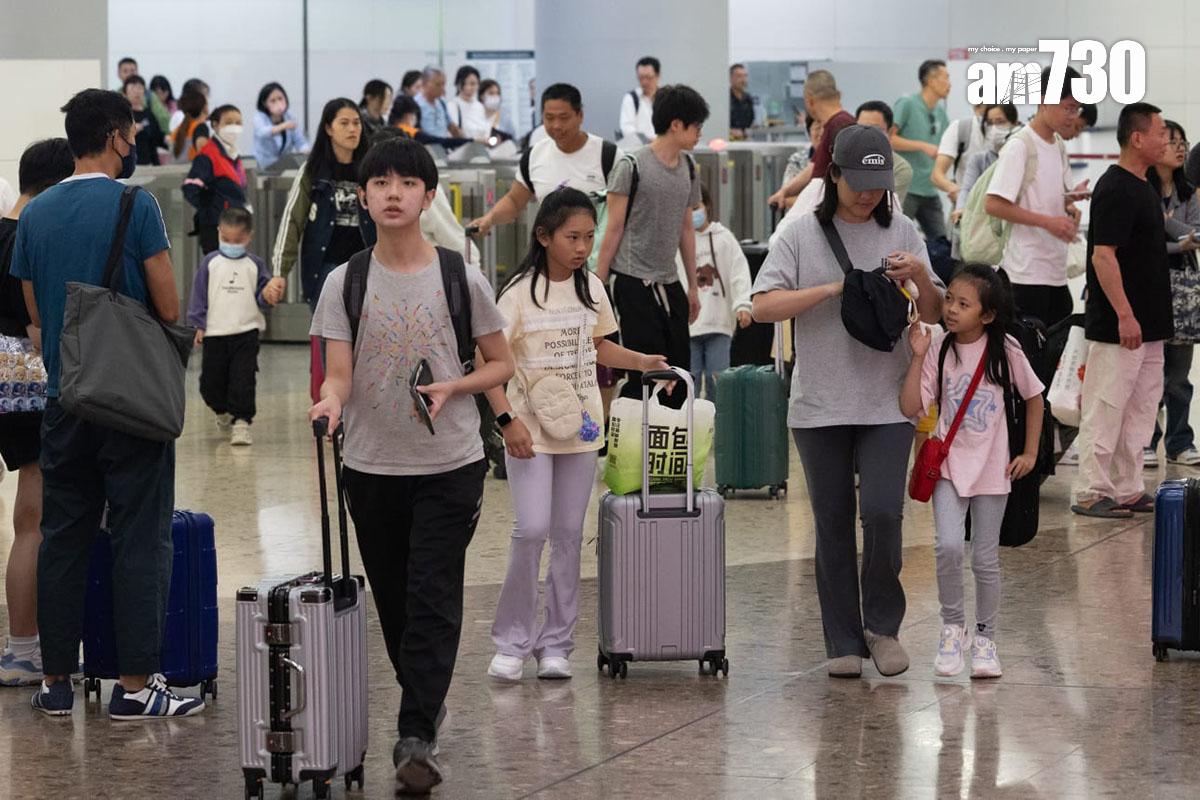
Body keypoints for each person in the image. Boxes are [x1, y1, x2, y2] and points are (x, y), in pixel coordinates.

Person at [307, 136, 514, 794]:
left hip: (450, 464)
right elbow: (338, 374)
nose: (392, 193)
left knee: (432, 596)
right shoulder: (345, 282)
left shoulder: (461, 276)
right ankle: (426, 702)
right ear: (363, 197)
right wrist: (329, 401)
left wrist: (457, 386)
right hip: (371, 467)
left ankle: (414, 735)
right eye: (380, 183)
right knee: (395, 605)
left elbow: (501, 363)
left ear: (428, 197)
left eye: (406, 183)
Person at [12, 88, 204, 719]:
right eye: (131, 136)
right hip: (129, 402)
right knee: (139, 537)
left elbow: (39, 315)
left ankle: (55, 684)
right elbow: (168, 305)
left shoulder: (36, 213)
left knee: (63, 538)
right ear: (116, 136)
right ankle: (135, 687)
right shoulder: (135, 203)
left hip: (64, 399)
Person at [752, 124, 942, 679]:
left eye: (878, 185)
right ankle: (843, 638)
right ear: (832, 175)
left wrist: (919, 275)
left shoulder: (902, 229)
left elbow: (934, 311)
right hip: (820, 406)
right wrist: (834, 289)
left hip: (888, 402)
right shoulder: (799, 234)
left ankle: (883, 626)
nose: (868, 194)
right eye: (858, 183)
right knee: (832, 522)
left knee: (883, 513)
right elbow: (762, 306)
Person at [483, 188, 667, 682]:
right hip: (529, 431)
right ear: (544, 236)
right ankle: (512, 641)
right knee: (531, 530)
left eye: (589, 237)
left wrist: (642, 362)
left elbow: (600, 346)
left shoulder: (592, 289)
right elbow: (488, 360)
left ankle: (556, 644)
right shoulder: (518, 293)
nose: (583, 247)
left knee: (568, 536)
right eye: (572, 237)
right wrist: (506, 421)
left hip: (582, 431)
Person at [900, 265, 1044, 679]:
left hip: (993, 470)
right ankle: (952, 628)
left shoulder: (1006, 350)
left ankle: (985, 637)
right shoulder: (940, 347)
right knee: (947, 547)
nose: (951, 309)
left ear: (988, 315)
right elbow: (910, 407)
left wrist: (1030, 453)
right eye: (949, 299)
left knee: (984, 559)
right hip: (948, 468)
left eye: (964, 304)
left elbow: (1035, 397)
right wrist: (918, 356)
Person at [1071, 103, 1173, 519]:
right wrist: (1125, 315)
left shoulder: (1144, 185)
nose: (1167, 140)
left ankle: (1127, 487)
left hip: (1150, 325)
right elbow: (1103, 256)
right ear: (1137, 138)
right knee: (1107, 405)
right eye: (1161, 132)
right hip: (1121, 324)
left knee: (1141, 408)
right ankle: (1091, 490)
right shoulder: (1115, 187)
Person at [0, 138, 74, 687]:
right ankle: (26, 649)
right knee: (35, 520)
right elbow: (39, 323)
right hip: (25, 381)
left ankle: (22, 648)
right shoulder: (33, 237)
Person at [595, 84, 708, 407]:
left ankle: (675, 435)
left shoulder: (688, 168)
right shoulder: (631, 165)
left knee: (680, 373)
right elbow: (613, 228)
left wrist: (692, 286)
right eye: (696, 125)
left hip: (669, 281)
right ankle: (634, 434)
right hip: (632, 281)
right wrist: (598, 285)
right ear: (676, 124)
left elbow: (686, 228)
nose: (700, 133)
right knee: (645, 375)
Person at [985, 66, 1089, 328]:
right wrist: (1048, 222)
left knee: (1055, 347)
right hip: (1025, 274)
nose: (1073, 117)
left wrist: (1070, 202)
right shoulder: (1020, 146)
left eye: (1076, 109)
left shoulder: (1058, 145)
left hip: (1056, 270)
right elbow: (994, 204)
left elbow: (1049, 199)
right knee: (1029, 349)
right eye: (1068, 108)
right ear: (1043, 101)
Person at [470, 83, 615, 237]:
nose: (556, 125)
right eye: (549, 118)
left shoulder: (607, 155)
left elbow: (621, 217)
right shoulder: (534, 156)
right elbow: (514, 201)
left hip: (599, 250)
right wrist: (490, 218)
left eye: (564, 118)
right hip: (552, 249)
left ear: (580, 115)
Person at [187, 208, 279, 447]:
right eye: (226, 239)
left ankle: (242, 422)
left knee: (243, 379)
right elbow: (199, 295)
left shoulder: (255, 265)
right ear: (218, 232)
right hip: (215, 334)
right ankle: (222, 411)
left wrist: (267, 295)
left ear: (249, 237)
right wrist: (197, 324)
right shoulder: (210, 263)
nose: (231, 244)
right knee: (210, 384)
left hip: (246, 333)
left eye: (237, 240)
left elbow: (262, 296)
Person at [272, 98, 369, 309]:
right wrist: (280, 272)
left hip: (365, 267)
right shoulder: (313, 171)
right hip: (325, 267)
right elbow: (292, 221)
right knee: (327, 329)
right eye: (344, 123)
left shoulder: (371, 170)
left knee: (364, 329)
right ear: (328, 128)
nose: (352, 129)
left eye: (357, 123)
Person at [1147, 121, 1200, 467]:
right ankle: (1145, 440)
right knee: (1149, 372)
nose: (1180, 148)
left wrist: (1166, 224)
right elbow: (1143, 243)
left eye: (1183, 142)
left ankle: (1180, 442)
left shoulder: (1188, 192)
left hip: (1183, 290)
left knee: (1179, 376)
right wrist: (1178, 241)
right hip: (1149, 286)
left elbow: (1198, 234)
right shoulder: (1142, 190)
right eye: (1172, 141)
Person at [674, 184, 752, 400]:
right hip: (689, 327)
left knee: (718, 381)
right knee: (689, 380)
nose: (693, 214)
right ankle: (690, 420)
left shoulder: (724, 238)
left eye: (696, 207)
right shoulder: (679, 241)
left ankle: (719, 419)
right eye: (688, 209)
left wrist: (743, 304)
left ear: (707, 205)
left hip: (719, 323)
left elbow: (739, 272)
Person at [372, 127, 480, 269]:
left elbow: (451, 235)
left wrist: (471, 270)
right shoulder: (368, 188)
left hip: (430, 271)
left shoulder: (423, 188)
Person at [767, 70, 855, 209]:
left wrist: (788, 200)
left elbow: (822, 186)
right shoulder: (836, 123)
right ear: (838, 95)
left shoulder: (839, 126)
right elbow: (813, 168)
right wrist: (784, 192)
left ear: (809, 100)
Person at [891, 59, 951, 240]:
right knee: (896, 238)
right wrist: (922, 146)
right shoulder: (907, 104)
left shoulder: (941, 113)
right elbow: (889, 138)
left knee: (941, 242)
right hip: (907, 188)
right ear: (931, 81)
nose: (949, 84)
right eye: (946, 78)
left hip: (930, 189)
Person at [183, 104, 247, 255]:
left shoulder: (233, 154)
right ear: (215, 125)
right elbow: (190, 187)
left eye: (238, 123)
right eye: (229, 122)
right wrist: (212, 210)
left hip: (235, 225)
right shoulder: (208, 155)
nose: (234, 127)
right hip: (216, 228)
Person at [954, 105, 1020, 220]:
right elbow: (967, 189)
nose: (994, 128)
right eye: (990, 123)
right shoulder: (979, 160)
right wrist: (961, 208)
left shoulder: (1021, 156)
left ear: (1014, 124)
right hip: (982, 221)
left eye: (1000, 122)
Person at [855, 101, 913, 207]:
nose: (866, 134)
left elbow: (888, 208)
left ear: (889, 132)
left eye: (875, 129)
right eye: (860, 128)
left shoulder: (900, 168)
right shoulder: (842, 156)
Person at [931, 104, 986, 208]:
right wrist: (956, 191)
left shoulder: (1012, 132)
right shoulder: (961, 128)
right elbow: (937, 175)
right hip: (966, 206)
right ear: (976, 108)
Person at [253, 82, 310, 170]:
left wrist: (305, 150)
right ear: (265, 103)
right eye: (273, 101)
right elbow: (263, 132)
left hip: (283, 165)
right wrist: (283, 126)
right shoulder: (260, 117)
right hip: (263, 166)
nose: (278, 103)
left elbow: (300, 141)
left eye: (280, 98)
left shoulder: (289, 116)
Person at [122, 76, 166, 166]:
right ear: (125, 93)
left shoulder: (149, 113)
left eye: (139, 88)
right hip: (129, 164)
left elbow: (157, 136)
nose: (137, 92)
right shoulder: (122, 114)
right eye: (132, 88)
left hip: (149, 162)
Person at [618, 56, 660, 143]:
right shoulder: (631, 98)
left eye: (648, 77)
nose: (644, 82)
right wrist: (648, 140)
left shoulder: (666, 98)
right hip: (639, 147)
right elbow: (626, 128)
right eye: (641, 78)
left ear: (657, 76)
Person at [414, 67, 462, 140]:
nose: (442, 88)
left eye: (443, 84)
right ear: (424, 84)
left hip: (443, 145)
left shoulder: (441, 102)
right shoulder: (415, 104)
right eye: (438, 85)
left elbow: (452, 128)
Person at [451, 66, 490, 141]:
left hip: (481, 146)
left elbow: (485, 130)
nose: (474, 87)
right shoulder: (452, 105)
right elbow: (455, 133)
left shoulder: (479, 106)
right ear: (460, 84)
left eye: (476, 84)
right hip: (463, 146)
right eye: (471, 84)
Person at [170, 86, 208, 162]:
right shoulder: (200, 127)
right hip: (193, 168)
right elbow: (205, 155)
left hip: (175, 168)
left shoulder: (177, 129)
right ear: (204, 108)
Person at [729, 63, 755, 139]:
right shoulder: (725, 99)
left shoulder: (748, 99)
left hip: (744, 140)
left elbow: (750, 120)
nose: (743, 80)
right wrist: (730, 131)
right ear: (730, 78)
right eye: (739, 76)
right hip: (727, 140)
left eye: (745, 76)